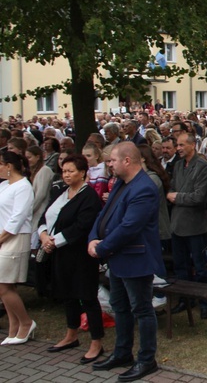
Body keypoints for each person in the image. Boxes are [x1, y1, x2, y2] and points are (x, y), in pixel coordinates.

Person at [87, 142, 165, 381]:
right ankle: (122, 353)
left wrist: (102, 247)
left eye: (112, 160)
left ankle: (146, 359)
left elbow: (130, 227)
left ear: (127, 161)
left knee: (141, 309)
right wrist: (93, 238)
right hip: (118, 257)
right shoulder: (121, 183)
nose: (108, 164)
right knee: (120, 307)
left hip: (135, 258)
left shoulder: (144, 188)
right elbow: (104, 214)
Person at [38, 154, 105, 363]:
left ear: (82, 173)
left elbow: (81, 226)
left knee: (87, 297)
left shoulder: (89, 197)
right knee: (67, 294)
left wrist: (53, 241)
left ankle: (96, 342)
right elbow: (46, 216)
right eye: (64, 171)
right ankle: (71, 334)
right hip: (60, 254)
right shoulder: (62, 193)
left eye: (71, 171)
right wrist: (43, 235)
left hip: (81, 255)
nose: (66, 175)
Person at [167, 132, 207, 318]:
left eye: (181, 145)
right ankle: (185, 300)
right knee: (180, 266)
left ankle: (205, 301)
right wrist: (175, 195)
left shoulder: (202, 166)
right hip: (178, 223)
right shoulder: (178, 166)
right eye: (177, 145)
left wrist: (177, 197)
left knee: (200, 266)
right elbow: (170, 188)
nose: (178, 148)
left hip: (195, 224)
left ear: (192, 145)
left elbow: (199, 197)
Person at [0, 151, 36, 345]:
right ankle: (13, 326)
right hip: (3, 236)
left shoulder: (23, 187)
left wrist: (2, 238)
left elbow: (18, 217)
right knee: (6, 285)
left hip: (15, 237)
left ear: (9, 166)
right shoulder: (5, 185)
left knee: (3, 286)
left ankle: (26, 322)